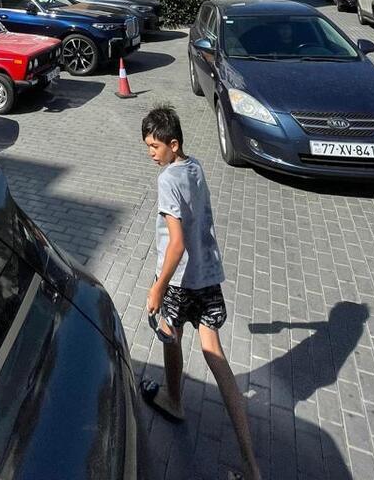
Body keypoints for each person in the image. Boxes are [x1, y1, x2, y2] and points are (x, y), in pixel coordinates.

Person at [141, 105, 262, 480]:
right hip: (207, 277)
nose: (151, 153)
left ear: (173, 144)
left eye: (155, 146)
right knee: (215, 356)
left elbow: (176, 244)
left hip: (179, 281)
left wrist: (157, 287)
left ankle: (174, 400)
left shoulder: (167, 180)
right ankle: (251, 465)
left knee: (169, 335)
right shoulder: (195, 166)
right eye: (148, 146)